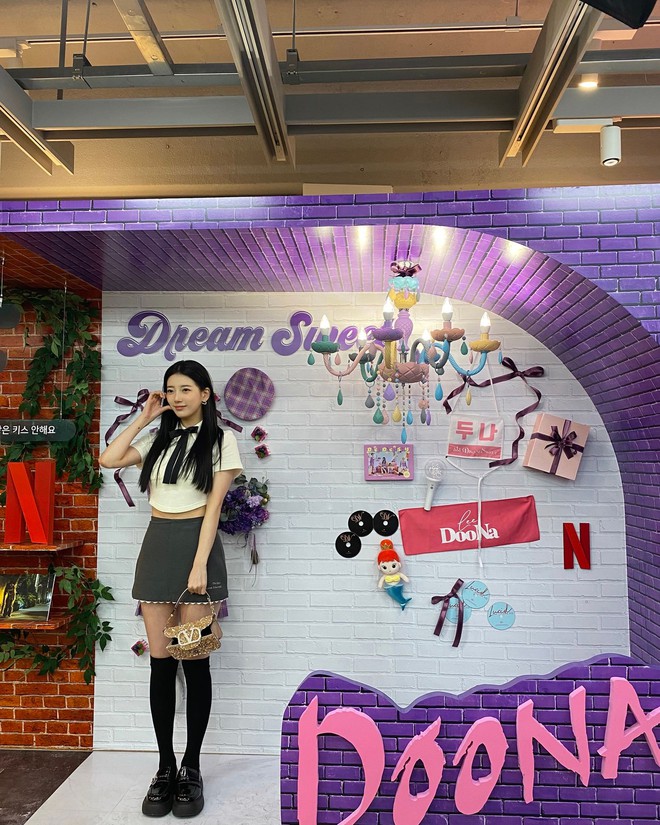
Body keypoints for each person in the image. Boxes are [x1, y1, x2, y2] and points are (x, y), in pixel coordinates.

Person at [100, 360, 242, 818]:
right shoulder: (157, 438)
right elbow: (108, 459)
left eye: (185, 389)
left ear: (205, 394)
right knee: (161, 664)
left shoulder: (221, 440)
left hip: (197, 548)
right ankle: (164, 767)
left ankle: (191, 767)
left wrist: (200, 563)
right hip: (157, 547)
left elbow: (213, 508)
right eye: (170, 390)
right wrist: (145, 417)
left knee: (194, 662)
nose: (177, 397)